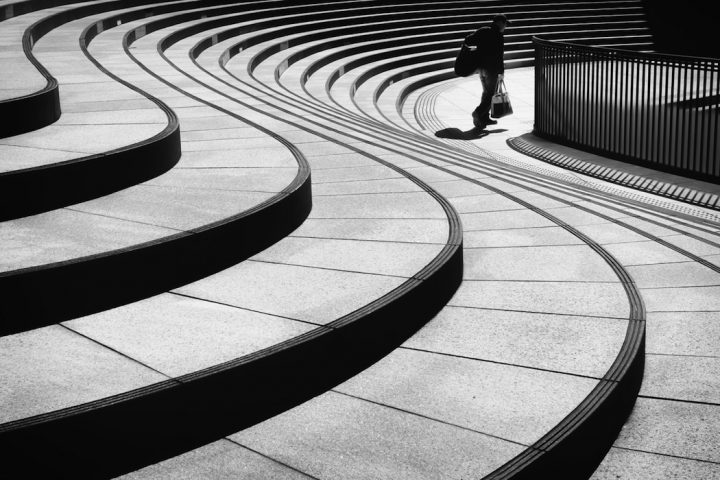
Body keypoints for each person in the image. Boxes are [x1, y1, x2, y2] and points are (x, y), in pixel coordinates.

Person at [464, 13, 509, 129]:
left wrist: (479, 44)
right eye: (505, 24)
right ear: (499, 23)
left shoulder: (483, 31)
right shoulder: (498, 36)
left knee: (486, 93)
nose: (505, 27)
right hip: (492, 70)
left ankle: (484, 118)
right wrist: (501, 72)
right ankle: (478, 113)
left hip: (481, 68)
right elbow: (499, 56)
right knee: (491, 94)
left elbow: (468, 40)